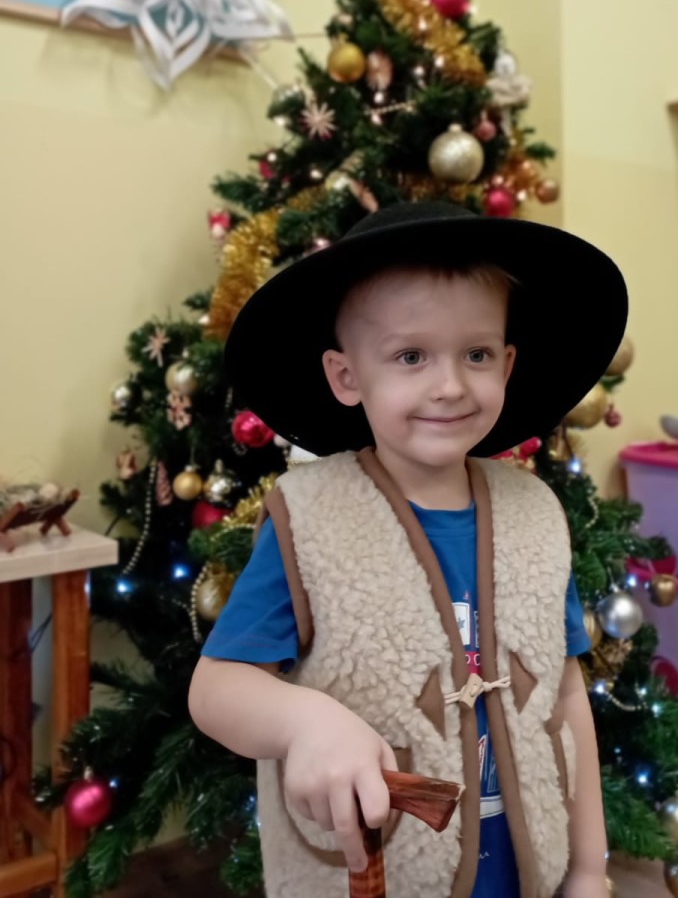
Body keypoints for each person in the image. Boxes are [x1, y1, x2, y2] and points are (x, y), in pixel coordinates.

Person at [188, 201, 628, 898]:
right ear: (346, 376)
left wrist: (587, 869)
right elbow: (215, 689)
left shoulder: (536, 516)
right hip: (381, 871)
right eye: (410, 356)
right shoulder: (312, 521)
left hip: (525, 872)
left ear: (508, 363)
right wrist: (304, 722)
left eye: (476, 354)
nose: (449, 385)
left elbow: (566, 693)